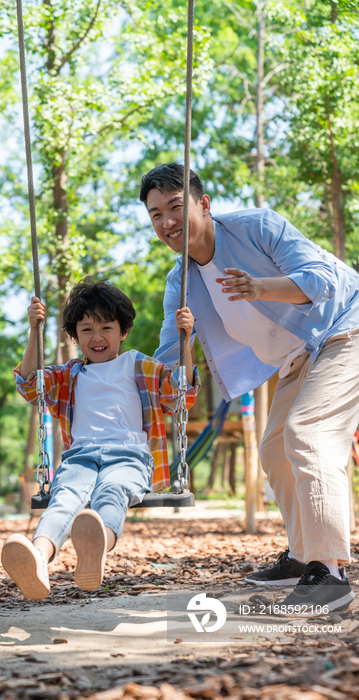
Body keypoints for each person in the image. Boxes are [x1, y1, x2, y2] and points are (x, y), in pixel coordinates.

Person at [141, 162, 359, 614]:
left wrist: (260, 287)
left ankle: (331, 574)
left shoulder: (257, 226)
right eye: (155, 214)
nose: (167, 222)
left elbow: (322, 280)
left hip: (345, 325)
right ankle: (305, 557)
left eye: (176, 207)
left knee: (309, 434)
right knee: (275, 449)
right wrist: (168, 383)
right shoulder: (180, 283)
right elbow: (168, 354)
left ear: (203, 204)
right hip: (300, 353)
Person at [1, 278, 200, 600]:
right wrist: (34, 331)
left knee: (113, 490)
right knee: (64, 497)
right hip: (81, 456)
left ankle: (97, 547)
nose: (96, 337)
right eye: (86, 330)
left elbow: (181, 394)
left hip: (129, 456)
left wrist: (187, 339)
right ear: (75, 336)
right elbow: (29, 385)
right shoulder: (70, 373)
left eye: (106, 328)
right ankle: (37, 558)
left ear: (123, 331)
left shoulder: (139, 365)